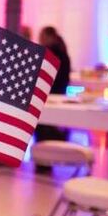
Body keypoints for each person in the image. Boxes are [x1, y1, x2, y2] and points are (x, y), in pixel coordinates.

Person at [34, 26, 71, 172]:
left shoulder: (51, 53)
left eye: (41, 36)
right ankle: (45, 160)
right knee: (46, 128)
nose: (40, 39)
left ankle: (44, 162)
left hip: (47, 96)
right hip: (57, 95)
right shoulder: (62, 51)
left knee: (44, 129)